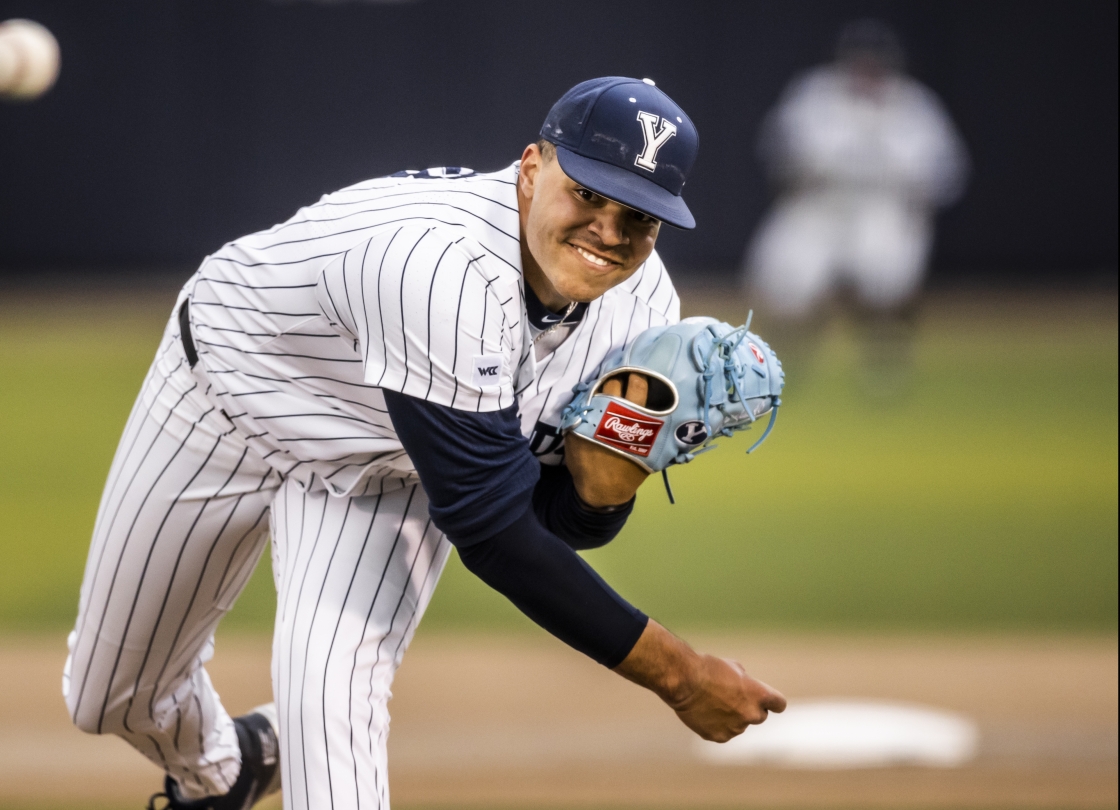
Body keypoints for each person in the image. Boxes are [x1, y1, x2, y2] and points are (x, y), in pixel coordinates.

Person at [64, 76, 786, 810]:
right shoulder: (439, 260)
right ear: (532, 169)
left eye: (638, 214)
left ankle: (298, 744)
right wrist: (682, 676)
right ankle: (232, 768)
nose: (609, 229)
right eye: (589, 194)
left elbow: (552, 517)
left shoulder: (642, 307)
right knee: (111, 700)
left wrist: (613, 478)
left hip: (392, 465)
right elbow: (494, 531)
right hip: (226, 396)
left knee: (332, 701)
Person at [743, 20, 968, 388]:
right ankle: (776, 367)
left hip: (882, 209)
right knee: (787, 286)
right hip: (818, 207)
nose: (867, 71)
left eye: (875, 63)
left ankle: (884, 367)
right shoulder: (814, 96)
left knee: (885, 285)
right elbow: (777, 156)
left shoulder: (914, 106)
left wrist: (914, 206)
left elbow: (944, 175)